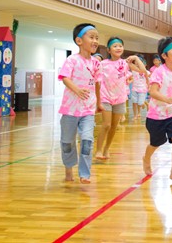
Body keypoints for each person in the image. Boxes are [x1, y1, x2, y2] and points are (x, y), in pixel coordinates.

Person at [58, 23, 102, 184]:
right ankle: (68, 170)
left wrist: (99, 102)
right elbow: (65, 78)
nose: (95, 41)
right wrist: (76, 89)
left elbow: (98, 83)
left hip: (88, 110)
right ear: (79, 40)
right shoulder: (72, 60)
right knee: (67, 142)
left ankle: (84, 174)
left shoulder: (96, 63)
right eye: (91, 37)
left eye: (97, 37)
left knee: (87, 140)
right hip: (70, 110)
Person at [142, 37, 172, 182]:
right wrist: (167, 99)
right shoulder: (159, 72)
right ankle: (146, 158)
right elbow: (153, 91)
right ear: (164, 55)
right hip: (156, 116)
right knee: (156, 143)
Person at [95, 37, 147, 160]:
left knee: (114, 126)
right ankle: (98, 150)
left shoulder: (125, 64)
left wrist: (136, 58)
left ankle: (107, 148)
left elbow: (143, 71)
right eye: (115, 46)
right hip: (105, 97)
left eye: (120, 46)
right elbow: (97, 82)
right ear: (108, 50)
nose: (118, 48)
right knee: (106, 125)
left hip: (120, 98)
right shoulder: (102, 64)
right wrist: (97, 101)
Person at [130, 54, 149, 120]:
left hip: (142, 89)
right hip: (134, 88)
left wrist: (149, 86)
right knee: (134, 102)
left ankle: (144, 104)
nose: (137, 64)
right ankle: (135, 115)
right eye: (136, 62)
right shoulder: (133, 70)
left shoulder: (146, 72)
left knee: (140, 103)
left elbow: (148, 79)